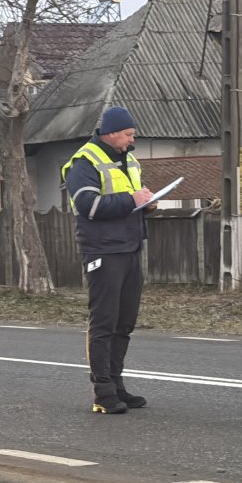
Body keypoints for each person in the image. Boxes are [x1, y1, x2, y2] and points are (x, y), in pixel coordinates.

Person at [61, 106, 155, 414]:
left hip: (129, 246)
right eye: (128, 135)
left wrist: (146, 204)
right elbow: (88, 204)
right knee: (103, 321)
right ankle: (102, 391)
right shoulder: (84, 162)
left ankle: (117, 384)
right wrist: (132, 200)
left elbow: (130, 200)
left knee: (124, 321)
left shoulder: (127, 159)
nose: (131, 141)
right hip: (102, 250)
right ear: (111, 132)